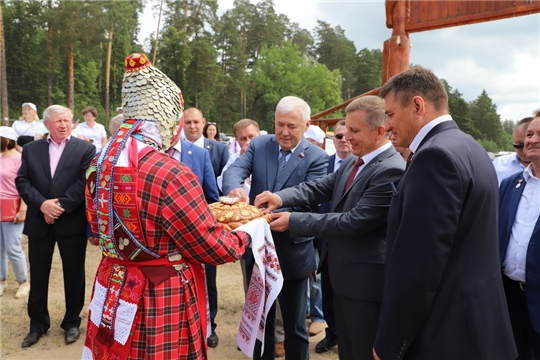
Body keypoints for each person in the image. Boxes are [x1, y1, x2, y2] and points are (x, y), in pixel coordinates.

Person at [82, 53, 250, 359]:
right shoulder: (170, 172)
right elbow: (208, 245)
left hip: (112, 282)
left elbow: (96, 233)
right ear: (169, 120)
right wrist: (248, 233)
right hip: (159, 293)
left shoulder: (98, 164)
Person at [373, 66, 517, 360]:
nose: (386, 126)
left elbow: (418, 267)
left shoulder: (434, 157)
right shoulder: (469, 146)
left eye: (389, 114)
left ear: (417, 106)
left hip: (446, 334)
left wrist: (390, 343)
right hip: (476, 326)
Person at [255, 97, 405, 359]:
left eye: (355, 131)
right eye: (346, 130)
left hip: (365, 284)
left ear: (380, 131)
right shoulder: (353, 161)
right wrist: (281, 198)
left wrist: (294, 221)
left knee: (362, 350)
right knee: (347, 349)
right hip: (340, 276)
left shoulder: (390, 170)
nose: (347, 137)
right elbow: (319, 188)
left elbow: (353, 221)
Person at [223, 95, 328, 360]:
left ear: (307, 125)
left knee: (294, 326)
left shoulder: (317, 157)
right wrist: (234, 188)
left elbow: (311, 200)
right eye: (279, 124)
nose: (283, 131)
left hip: (292, 252)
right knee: (261, 321)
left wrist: (276, 215)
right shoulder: (259, 144)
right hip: (257, 252)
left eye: (291, 126)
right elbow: (234, 171)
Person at [15, 105, 96, 348]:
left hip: (70, 221)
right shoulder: (31, 149)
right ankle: (37, 323)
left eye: (67, 120)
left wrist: (58, 206)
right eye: (58, 121)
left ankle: (72, 322)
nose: (63, 125)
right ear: (46, 124)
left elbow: (85, 182)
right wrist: (42, 205)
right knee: (38, 275)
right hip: (40, 221)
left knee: (74, 274)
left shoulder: (85, 149)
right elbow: (22, 180)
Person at [183, 106, 229, 347]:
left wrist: (212, 228)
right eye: (187, 122)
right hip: (173, 234)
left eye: (195, 122)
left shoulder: (204, 154)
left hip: (200, 230)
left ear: (203, 123)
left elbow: (212, 195)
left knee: (206, 279)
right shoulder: (166, 152)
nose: (191, 126)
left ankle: (209, 326)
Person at [498, 109, 540, 360]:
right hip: (509, 299)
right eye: (531, 134)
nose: (532, 139)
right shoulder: (510, 185)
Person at [313, 119, 353, 353]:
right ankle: (333, 333)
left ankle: (347, 337)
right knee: (327, 294)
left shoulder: (365, 166)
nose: (344, 140)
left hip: (351, 243)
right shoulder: (324, 164)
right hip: (325, 243)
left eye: (349, 135)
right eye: (339, 136)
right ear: (333, 139)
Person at [0, 127, 30, 299]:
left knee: (12, 247)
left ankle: (23, 282)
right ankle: (2, 281)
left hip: (12, 206)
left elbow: (24, 185)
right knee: (0, 247)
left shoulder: (20, 159)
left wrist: (23, 209)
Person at [493, 116, 533, 185]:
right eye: (519, 145)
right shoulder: (497, 165)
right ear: (513, 140)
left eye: (530, 145)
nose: (524, 151)